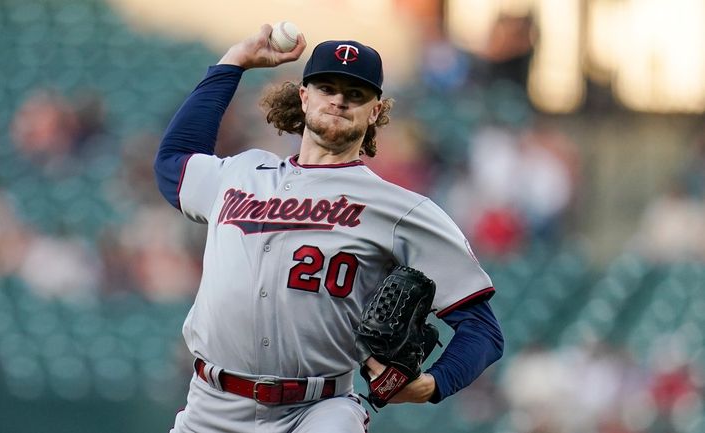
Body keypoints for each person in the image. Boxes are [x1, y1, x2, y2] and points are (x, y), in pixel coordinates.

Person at [154, 24, 504, 433]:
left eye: (355, 94)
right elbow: (172, 162)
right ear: (304, 97)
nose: (339, 100)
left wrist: (431, 384)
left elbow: (483, 329)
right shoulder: (240, 172)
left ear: (375, 111)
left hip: (318, 409)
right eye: (326, 88)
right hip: (210, 405)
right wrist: (233, 63)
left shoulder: (402, 209)